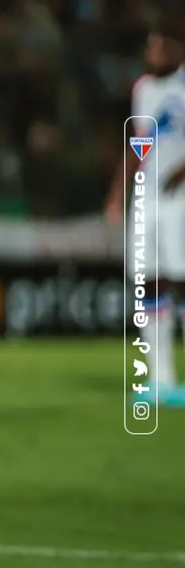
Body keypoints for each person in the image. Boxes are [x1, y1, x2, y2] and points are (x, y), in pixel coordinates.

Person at [108, 28, 185, 407]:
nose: (152, 51)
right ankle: (162, 379)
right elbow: (141, 140)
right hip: (148, 197)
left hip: (181, 198)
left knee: (181, 280)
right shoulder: (143, 89)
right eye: (149, 44)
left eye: (160, 45)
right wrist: (120, 190)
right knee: (149, 281)